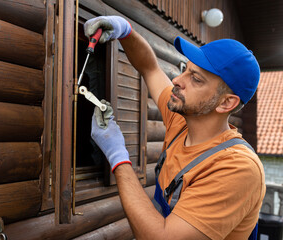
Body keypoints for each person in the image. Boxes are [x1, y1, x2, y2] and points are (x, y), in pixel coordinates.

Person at [86, 16, 266, 240]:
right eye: (186, 70)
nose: (177, 80)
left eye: (196, 79)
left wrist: (117, 156)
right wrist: (125, 31)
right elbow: (150, 68)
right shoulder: (182, 123)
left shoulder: (237, 168)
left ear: (226, 103)